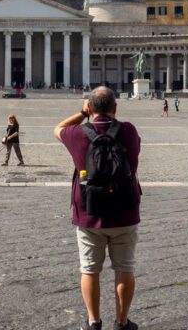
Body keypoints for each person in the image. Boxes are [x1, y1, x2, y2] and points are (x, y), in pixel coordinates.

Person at [54, 86, 141, 330]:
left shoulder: (77, 134)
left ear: (90, 108)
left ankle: (94, 321)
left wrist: (83, 114)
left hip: (89, 213)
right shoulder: (129, 131)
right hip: (125, 211)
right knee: (125, 268)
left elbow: (57, 129)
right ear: (115, 108)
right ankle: (122, 322)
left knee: (89, 270)